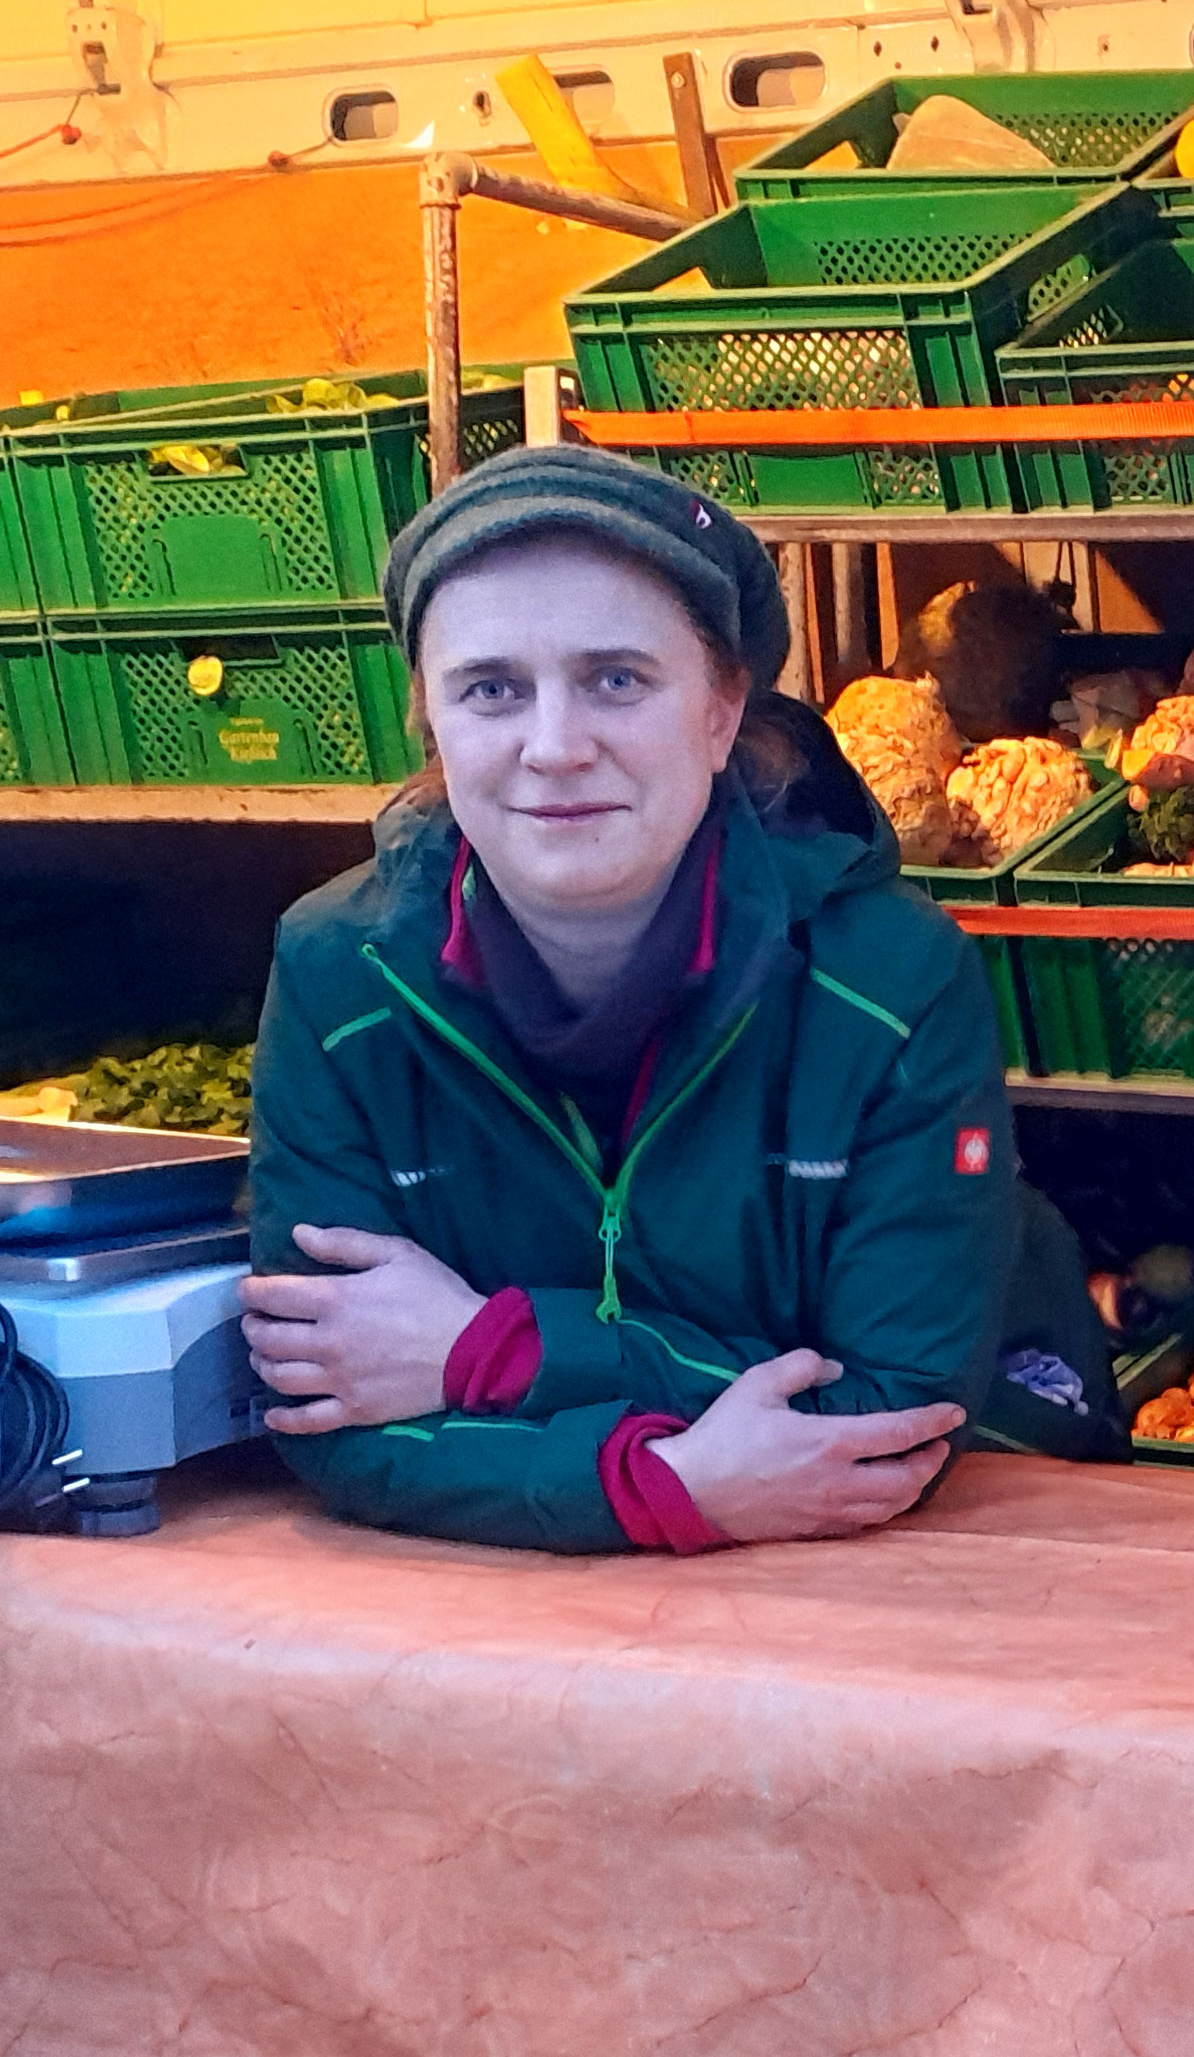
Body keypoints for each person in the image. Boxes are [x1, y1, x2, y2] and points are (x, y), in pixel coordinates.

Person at [238, 444, 1113, 1552]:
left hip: (904, 1578)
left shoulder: (891, 979)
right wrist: (659, 1484)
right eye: (491, 689)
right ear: (433, 724)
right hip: (507, 1622)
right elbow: (330, 1418)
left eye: (617, 679)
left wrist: (493, 1355)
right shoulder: (334, 974)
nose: (554, 748)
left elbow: (893, 1415)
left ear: (721, 709)